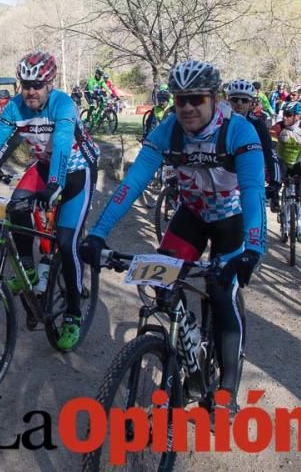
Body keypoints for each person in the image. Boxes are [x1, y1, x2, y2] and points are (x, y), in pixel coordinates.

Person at [81, 60, 265, 411]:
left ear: (213, 98)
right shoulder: (168, 130)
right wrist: (98, 234)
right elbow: (133, 184)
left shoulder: (239, 131)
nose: (188, 108)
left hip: (232, 220)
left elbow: (254, 189)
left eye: (196, 99)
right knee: (162, 283)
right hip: (192, 216)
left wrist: (253, 248)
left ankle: (225, 393)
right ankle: (189, 350)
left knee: (221, 292)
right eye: (181, 100)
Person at [0, 51, 99, 351]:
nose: (30, 90)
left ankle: (73, 315)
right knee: (16, 205)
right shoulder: (15, 108)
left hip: (78, 170)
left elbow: (64, 144)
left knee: (66, 242)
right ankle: (28, 268)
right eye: (25, 84)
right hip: (44, 167)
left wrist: (55, 184)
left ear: (50, 84)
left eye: (38, 85)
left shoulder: (63, 104)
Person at [269, 101, 301, 238]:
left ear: (298, 116)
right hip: (282, 161)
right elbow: (271, 149)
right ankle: (275, 199)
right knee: (275, 180)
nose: (284, 117)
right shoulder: (277, 127)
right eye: (284, 114)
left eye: (288, 114)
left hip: (298, 162)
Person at [227, 79, 276, 204]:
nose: (239, 103)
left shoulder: (258, 125)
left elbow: (269, 152)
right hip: (225, 180)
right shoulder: (219, 122)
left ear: (251, 103)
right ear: (228, 100)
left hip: (251, 177)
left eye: (244, 100)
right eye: (234, 99)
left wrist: (275, 181)